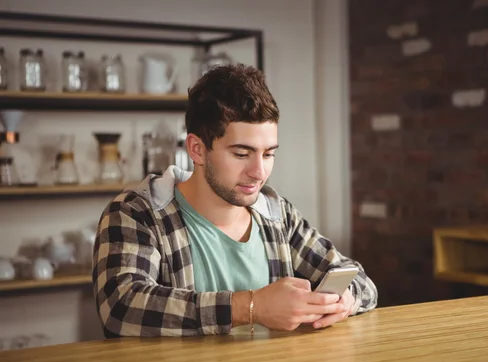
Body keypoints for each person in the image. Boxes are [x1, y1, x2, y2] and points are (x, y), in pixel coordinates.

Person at [92, 64, 377, 337]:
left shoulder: (278, 216)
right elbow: (120, 309)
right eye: (241, 154)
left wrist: (344, 301)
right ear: (197, 149)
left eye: (268, 154)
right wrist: (253, 307)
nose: (259, 172)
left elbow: (360, 281)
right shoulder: (137, 212)